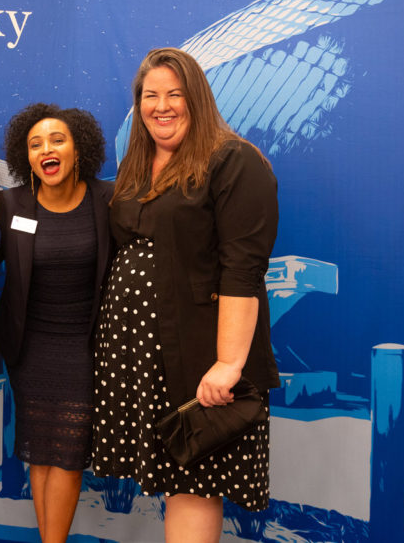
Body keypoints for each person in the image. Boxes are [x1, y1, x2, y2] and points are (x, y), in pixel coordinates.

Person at [91, 48, 279, 543]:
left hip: (198, 354)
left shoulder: (234, 161)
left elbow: (243, 270)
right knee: (175, 479)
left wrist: (228, 364)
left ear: (197, 98)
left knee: (196, 480)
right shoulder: (136, 164)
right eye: (151, 96)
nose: (162, 105)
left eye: (175, 94)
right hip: (139, 357)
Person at [0, 103, 114, 543]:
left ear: (78, 148)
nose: (47, 149)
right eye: (35, 143)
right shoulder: (11, 204)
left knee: (66, 453)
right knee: (41, 453)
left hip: (85, 349)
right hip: (29, 350)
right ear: (27, 157)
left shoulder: (108, 200)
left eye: (57, 139)